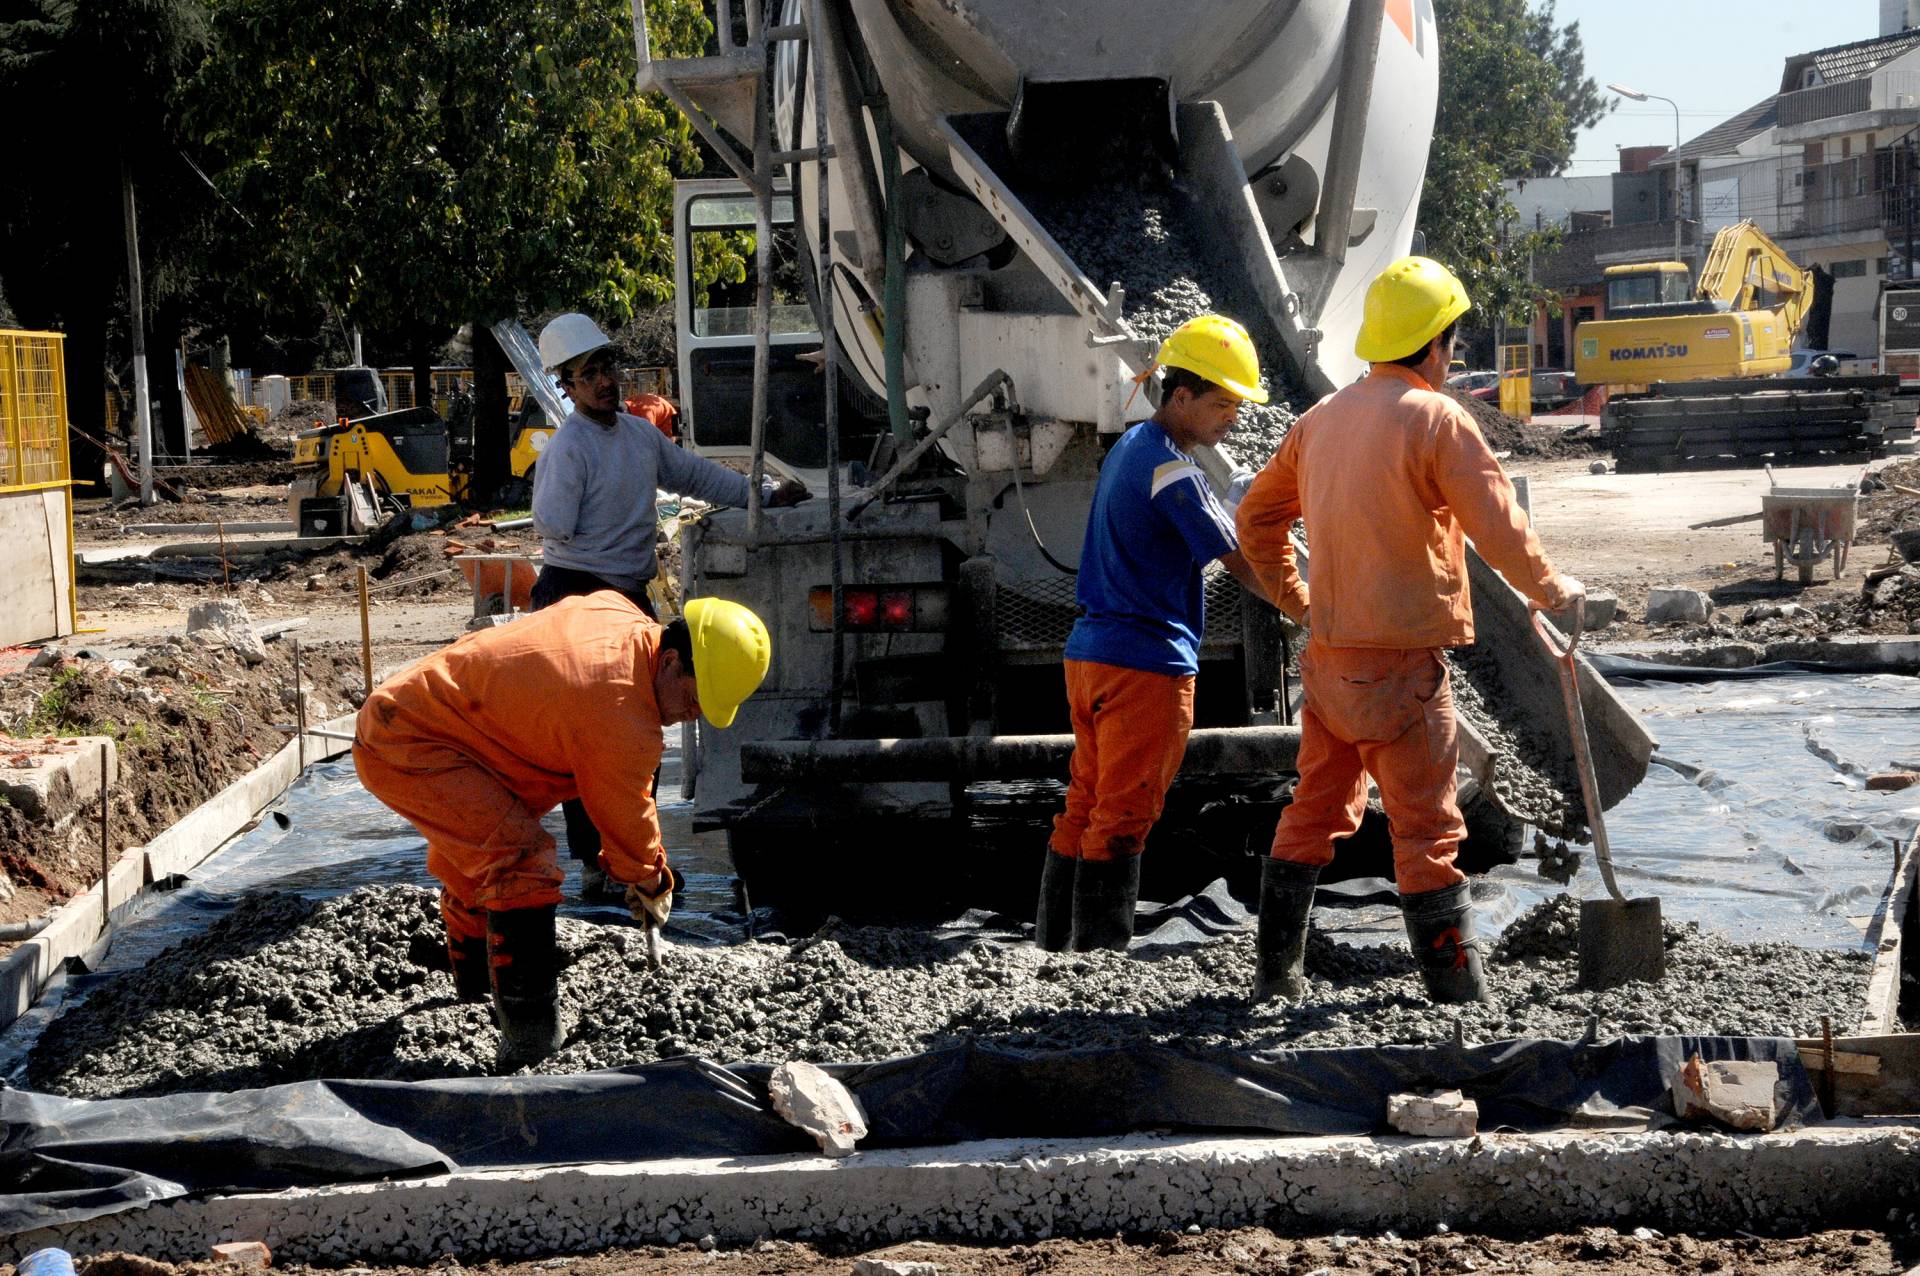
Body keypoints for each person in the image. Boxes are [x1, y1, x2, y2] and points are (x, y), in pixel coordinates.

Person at [1235, 256, 1583, 1006]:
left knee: (1311, 812)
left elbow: (1255, 520)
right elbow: (1498, 525)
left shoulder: (1318, 422)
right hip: (1402, 672)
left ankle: (1275, 978)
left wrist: (1298, 601)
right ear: (1434, 346)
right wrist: (1555, 591)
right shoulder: (1435, 419)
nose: (1451, 360)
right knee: (1427, 833)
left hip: (1327, 666)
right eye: (1451, 345)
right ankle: (1455, 990)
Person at [354, 594, 771, 1063]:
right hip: (412, 741)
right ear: (671, 661)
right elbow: (624, 816)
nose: (691, 716)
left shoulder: (621, 616)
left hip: (431, 718)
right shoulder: (620, 713)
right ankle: (532, 1043)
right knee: (520, 865)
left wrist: (638, 867)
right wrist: (651, 878)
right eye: (694, 700)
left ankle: (471, 997)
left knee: (476, 869)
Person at [531, 313, 806, 899]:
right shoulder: (569, 448)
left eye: (607, 368)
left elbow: (696, 475)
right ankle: (594, 863)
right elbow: (551, 524)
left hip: (623, 596)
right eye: (589, 375)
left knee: (641, 726)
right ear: (568, 387)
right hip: (575, 595)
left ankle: (629, 852)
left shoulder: (638, 435)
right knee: (587, 736)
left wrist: (764, 496)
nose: (604, 381)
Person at [1035, 314, 1276, 954]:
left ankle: (1056, 952)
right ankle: (1097, 964)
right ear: (1180, 398)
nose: (1233, 418)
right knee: (1123, 816)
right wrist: (1306, 606)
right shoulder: (1172, 470)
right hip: (1146, 665)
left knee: (1085, 803)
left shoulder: (1131, 449)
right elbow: (1237, 561)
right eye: (1222, 403)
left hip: (1092, 657)